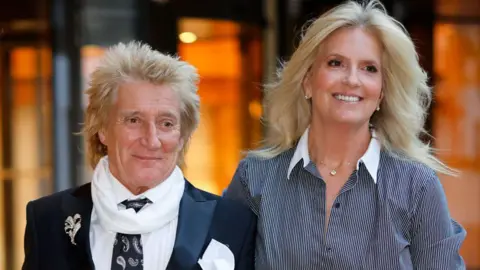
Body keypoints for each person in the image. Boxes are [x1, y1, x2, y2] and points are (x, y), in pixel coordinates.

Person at [224, 1, 466, 269]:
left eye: (369, 68)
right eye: (336, 63)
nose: (352, 79)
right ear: (307, 80)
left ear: (381, 93)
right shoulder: (255, 178)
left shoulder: (417, 187)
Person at [22, 41, 256, 270]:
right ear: (102, 128)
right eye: (134, 120)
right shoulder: (47, 219)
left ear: (182, 136)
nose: (151, 140)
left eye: (166, 123)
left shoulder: (232, 224)